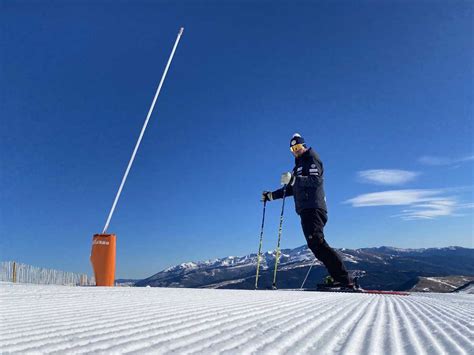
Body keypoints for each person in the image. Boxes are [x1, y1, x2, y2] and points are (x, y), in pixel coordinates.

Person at [262, 133, 351, 288]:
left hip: (314, 207)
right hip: (306, 209)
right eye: (293, 149)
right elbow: (291, 189)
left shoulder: (311, 159)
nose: (295, 150)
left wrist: (295, 180)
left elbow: (316, 180)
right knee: (316, 244)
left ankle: (344, 280)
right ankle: (339, 277)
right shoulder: (298, 166)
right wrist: (271, 196)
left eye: (297, 147)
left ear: (303, 145)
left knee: (317, 242)